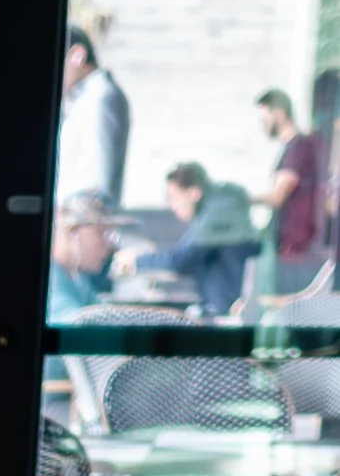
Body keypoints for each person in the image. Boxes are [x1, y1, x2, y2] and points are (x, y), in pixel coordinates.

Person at [124, 161, 257, 314]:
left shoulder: (217, 216)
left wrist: (136, 260)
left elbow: (180, 259)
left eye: (174, 197)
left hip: (229, 309)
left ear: (194, 193)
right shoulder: (215, 209)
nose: (172, 205)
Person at [254, 88, 327, 293]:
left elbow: (278, 195)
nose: (262, 126)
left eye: (264, 119)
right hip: (293, 247)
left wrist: (240, 198)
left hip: (297, 248)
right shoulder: (296, 148)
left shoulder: (300, 147)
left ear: (279, 113)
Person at [56, 25, 130, 205]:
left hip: (82, 220)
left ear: (78, 55)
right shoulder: (85, 98)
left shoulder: (100, 98)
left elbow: (95, 182)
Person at [48, 189, 131, 316]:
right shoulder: (50, 282)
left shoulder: (75, 277)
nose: (112, 246)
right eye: (102, 233)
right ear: (73, 231)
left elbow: (104, 312)